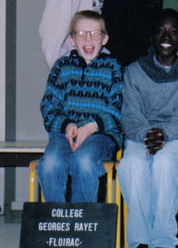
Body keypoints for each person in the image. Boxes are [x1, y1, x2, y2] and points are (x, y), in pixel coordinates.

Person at [119, 10, 178, 248]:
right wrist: (148, 134)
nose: (167, 37)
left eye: (174, 32)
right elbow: (130, 114)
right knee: (132, 165)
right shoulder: (134, 71)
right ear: (151, 36)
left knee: (165, 163)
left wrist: (164, 133)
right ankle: (142, 244)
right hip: (142, 134)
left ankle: (164, 245)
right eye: (161, 31)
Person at [37, 10, 123, 202]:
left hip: (101, 135)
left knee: (83, 161)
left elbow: (119, 108)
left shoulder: (114, 67)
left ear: (105, 39)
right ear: (71, 39)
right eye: (81, 33)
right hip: (64, 135)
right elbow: (49, 106)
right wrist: (67, 125)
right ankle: (57, 216)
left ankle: (80, 217)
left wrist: (91, 127)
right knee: (50, 163)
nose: (88, 39)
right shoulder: (61, 66)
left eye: (94, 33)